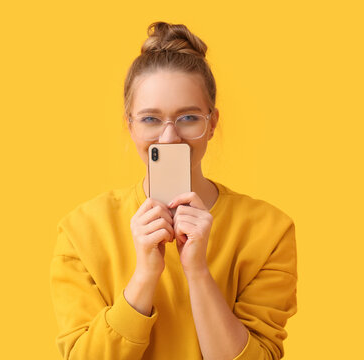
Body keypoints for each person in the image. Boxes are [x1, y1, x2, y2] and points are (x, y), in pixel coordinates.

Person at [50, 21, 297, 360]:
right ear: (130, 125)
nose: (169, 138)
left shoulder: (269, 230)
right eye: (151, 119)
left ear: (211, 124)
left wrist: (197, 272)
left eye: (188, 118)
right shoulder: (81, 231)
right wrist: (145, 277)